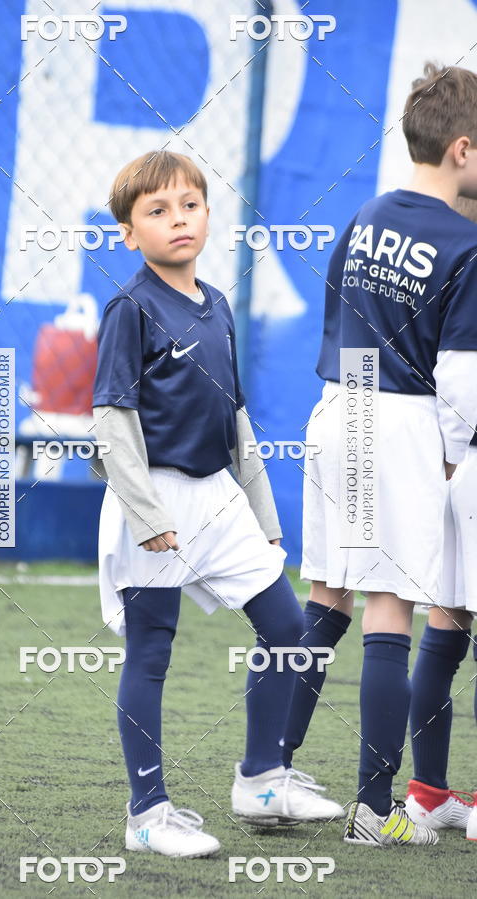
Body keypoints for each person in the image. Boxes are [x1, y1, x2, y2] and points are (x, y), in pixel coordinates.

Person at [92, 150, 342, 859]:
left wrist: (264, 520)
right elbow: (112, 423)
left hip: (219, 498)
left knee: (289, 627)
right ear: (129, 232)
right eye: (157, 210)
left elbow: (236, 422)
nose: (178, 220)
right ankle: (147, 813)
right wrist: (150, 515)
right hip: (154, 501)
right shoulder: (130, 307)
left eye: (190, 205)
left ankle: (262, 777)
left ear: (208, 213)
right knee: (150, 651)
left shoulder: (220, 305)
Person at [284, 62, 477, 846]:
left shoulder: (364, 216)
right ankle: (374, 809)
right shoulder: (467, 244)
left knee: (326, 600)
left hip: (336, 407)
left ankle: (269, 771)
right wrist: (452, 458)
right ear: (463, 149)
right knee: (390, 608)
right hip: (399, 421)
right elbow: (462, 381)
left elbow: (333, 327)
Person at [405, 195, 477, 837]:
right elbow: (461, 375)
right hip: (466, 463)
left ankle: (427, 795)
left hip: (458, 467)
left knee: (447, 622)